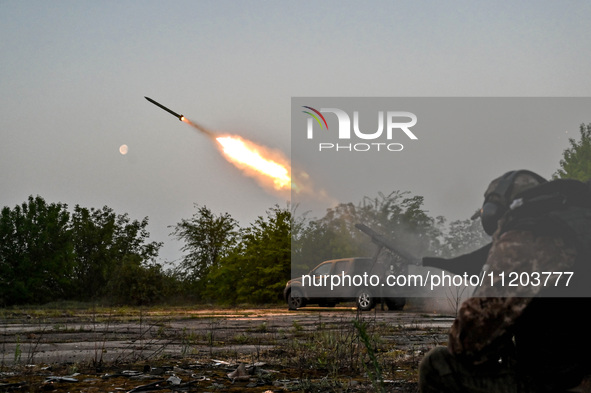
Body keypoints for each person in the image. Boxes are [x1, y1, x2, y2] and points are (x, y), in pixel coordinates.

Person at [419, 169, 591, 392]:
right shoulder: (579, 225)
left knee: (437, 365)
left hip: (566, 382)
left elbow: (470, 343)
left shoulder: (530, 235)